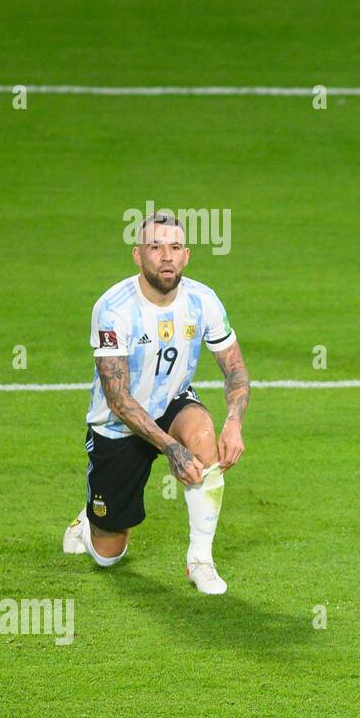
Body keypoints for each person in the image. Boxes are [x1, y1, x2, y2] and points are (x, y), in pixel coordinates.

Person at [62, 213, 250, 595]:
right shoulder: (113, 308)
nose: (166, 256)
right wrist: (169, 448)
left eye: (175, 247)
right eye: (156, 247)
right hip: (118, 423)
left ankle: (200, 560)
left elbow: (235, 371)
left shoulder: (203, 300)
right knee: (109, 554)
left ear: (187, 256)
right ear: (138, 256)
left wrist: (234, 421)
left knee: (201, 433)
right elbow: (117, 400)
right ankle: (89, 522)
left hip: (172, 401)